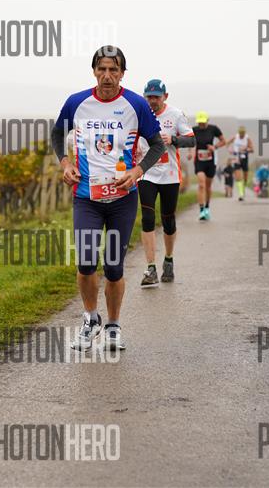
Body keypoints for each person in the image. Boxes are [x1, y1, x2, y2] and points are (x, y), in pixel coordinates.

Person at [51, 45, 164, 351]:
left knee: (113, 267)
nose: (107, 75)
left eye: (114, 69)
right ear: (94, 71)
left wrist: (138, 171)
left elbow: (157, 145)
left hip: (122, 199)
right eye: (101, 69)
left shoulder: (136, 105)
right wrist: (65, 163)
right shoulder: (76, 102)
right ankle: (91, 319)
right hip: (86, 197)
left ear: (122, 73)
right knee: (86, 262)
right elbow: (57, 133)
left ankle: (113, 326)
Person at [133, 79, 195, 288]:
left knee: (168, 220)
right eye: (149, 97)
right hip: (146, 173)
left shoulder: (175, 115)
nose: (153, 101)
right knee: (148, 217)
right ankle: (150, 268)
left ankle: (168, 259)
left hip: (170, 175)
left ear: (165, 97)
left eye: (156, 97)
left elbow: (191, 140)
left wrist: (173, 140)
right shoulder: (139, 114)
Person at [189, 112, 225, 220]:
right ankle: (201, 210)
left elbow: (223, 141)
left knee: (208, 186)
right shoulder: (194, 130)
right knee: (201, 184)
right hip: (199, 160)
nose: (201, 124)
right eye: (199, 122)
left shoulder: (214, 129)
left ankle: (207, 207)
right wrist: (190, 153)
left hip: (211, 161)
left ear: (207, 121)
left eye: (203, 122)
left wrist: (215, 147)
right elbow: (191, 143)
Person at [227, 126, 254, 201]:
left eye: (243, 133)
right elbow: (227, 143)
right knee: (238, 177)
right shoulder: (235, 137)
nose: (242, 135)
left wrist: (246, 149)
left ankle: (243, 189)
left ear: (245, 133)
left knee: (245, 178)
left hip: (244, 159)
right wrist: (230, 149)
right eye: (240, 133)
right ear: (238, 132)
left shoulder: (247, 138)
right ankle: (241, 194)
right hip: (237, 159)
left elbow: (252, 149)